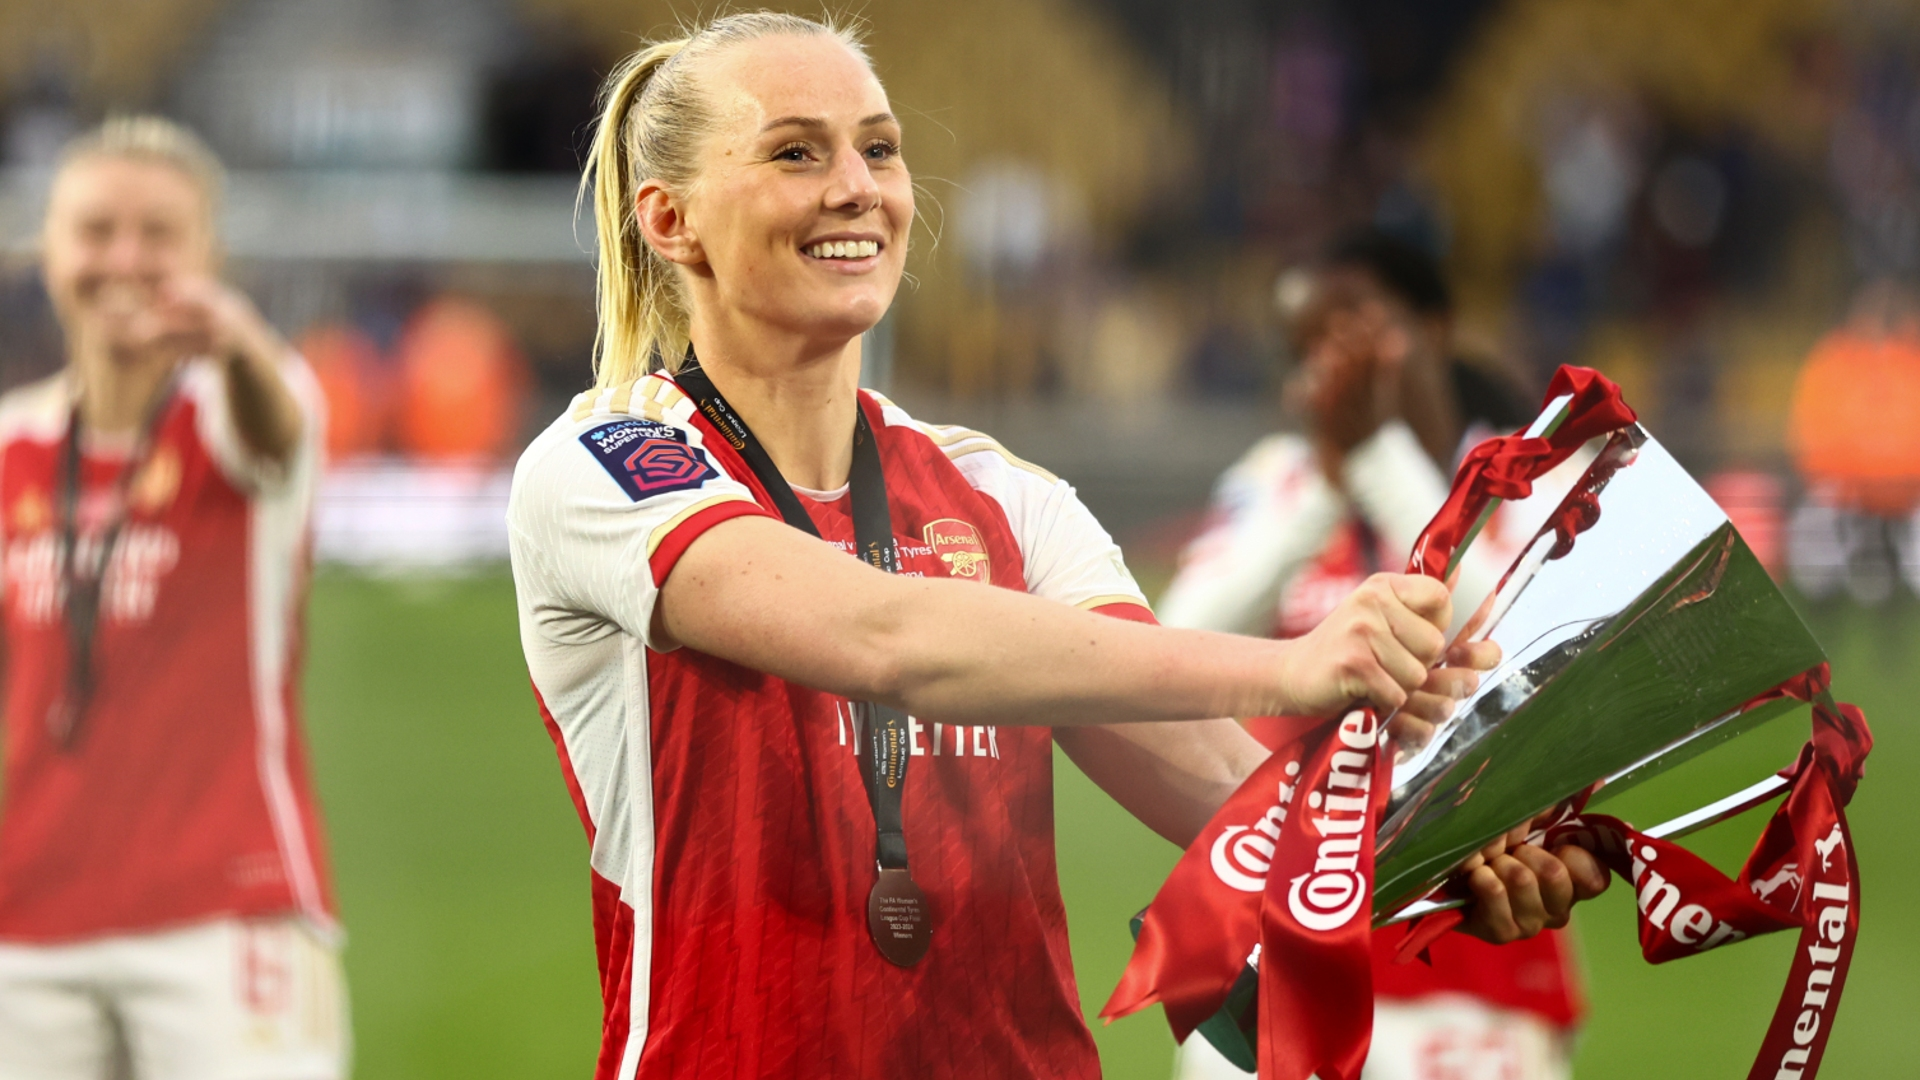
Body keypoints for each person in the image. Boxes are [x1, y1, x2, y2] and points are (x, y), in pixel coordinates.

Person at [507, 15, 1609, 1079]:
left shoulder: (1000, 493)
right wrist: (1291, 665)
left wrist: (1433, 854)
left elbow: (1224, 794)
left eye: (879, 150)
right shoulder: (608, 464)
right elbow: (888, 637)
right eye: (797, 152)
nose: (858, 187)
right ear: (669, 220)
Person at [1160, 229, 1587, 1080]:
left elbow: (1542, 653)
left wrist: (1379, 460)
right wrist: (1332, 477)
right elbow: (1171, 647)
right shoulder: (1278, 479)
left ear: (1433, 329)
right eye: (1308, 348)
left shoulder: (1535, 476)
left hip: (1470, 970)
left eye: (1358, 330)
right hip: (1272, 959)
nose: (1334, 363)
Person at [0, 117, 346, 1078]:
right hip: (25, 920)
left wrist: (234, 342)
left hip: (225, 907)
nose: (125, 258)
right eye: (96, 230)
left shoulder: (243, 408)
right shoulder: (10, 445)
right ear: (48, 252)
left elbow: (271, 429)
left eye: (158, 234)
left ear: (209, 254)